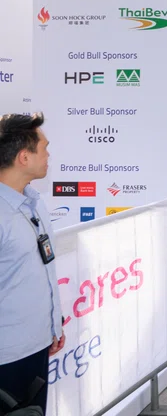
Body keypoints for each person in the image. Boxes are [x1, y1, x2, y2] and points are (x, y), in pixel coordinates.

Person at [0, 114, 64, 413]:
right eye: (44, 148)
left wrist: (52, 325)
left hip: (37, 344)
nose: (49, 154)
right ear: (23, 157)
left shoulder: (34, 200)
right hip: (7, 355)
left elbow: (42, 267)